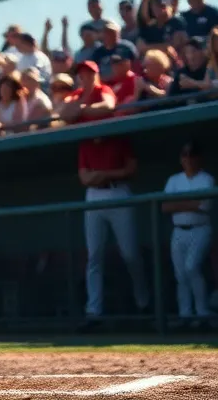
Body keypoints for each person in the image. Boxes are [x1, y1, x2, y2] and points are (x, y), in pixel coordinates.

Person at [77, 133, 150, 323]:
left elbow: (132, 169)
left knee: (130, 254)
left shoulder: (119, 137)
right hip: (94, 195)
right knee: (94, 255)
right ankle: (94, 310)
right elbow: (84, 177)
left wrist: (104, 174)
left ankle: (143, 302)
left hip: (119, 191)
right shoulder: (85, 142)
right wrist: (96, 176)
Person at [162, 141, 215, 327]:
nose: (188, 159)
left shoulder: (206, 179)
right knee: (180, 274)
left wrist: (180, 203)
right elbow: (165, 206)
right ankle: (185, 315)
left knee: (192, 267)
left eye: (192, 155)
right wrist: (191, 203)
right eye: (185, 156)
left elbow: (205, 206)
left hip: (200, 229)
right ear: (181, 159)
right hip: (179, 231)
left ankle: (202, 314)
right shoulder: (174, 180)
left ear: (199, 158)